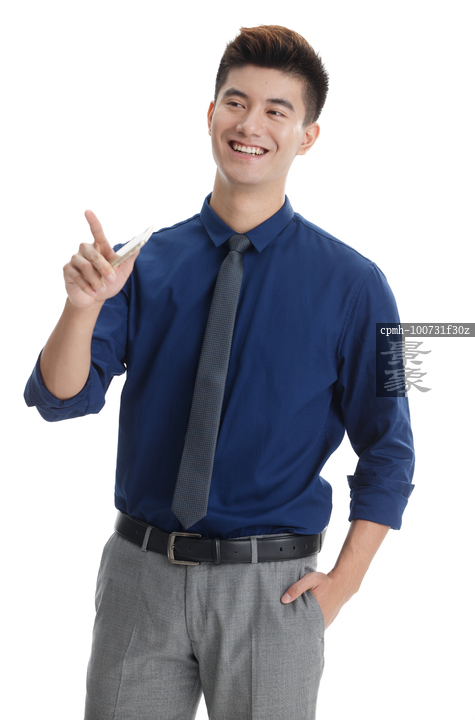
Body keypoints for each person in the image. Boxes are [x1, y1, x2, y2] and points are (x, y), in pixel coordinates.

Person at [24, 24, 415, 720]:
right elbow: (61, 397)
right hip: (140, 578)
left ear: (307, 137)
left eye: (276, 110)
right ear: (210, 114)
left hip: (271, 591)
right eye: (236, 103)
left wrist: (344, 584)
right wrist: (81, 309)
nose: (250, 125)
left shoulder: (359, 286)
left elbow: (390, 449)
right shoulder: (138, 264)